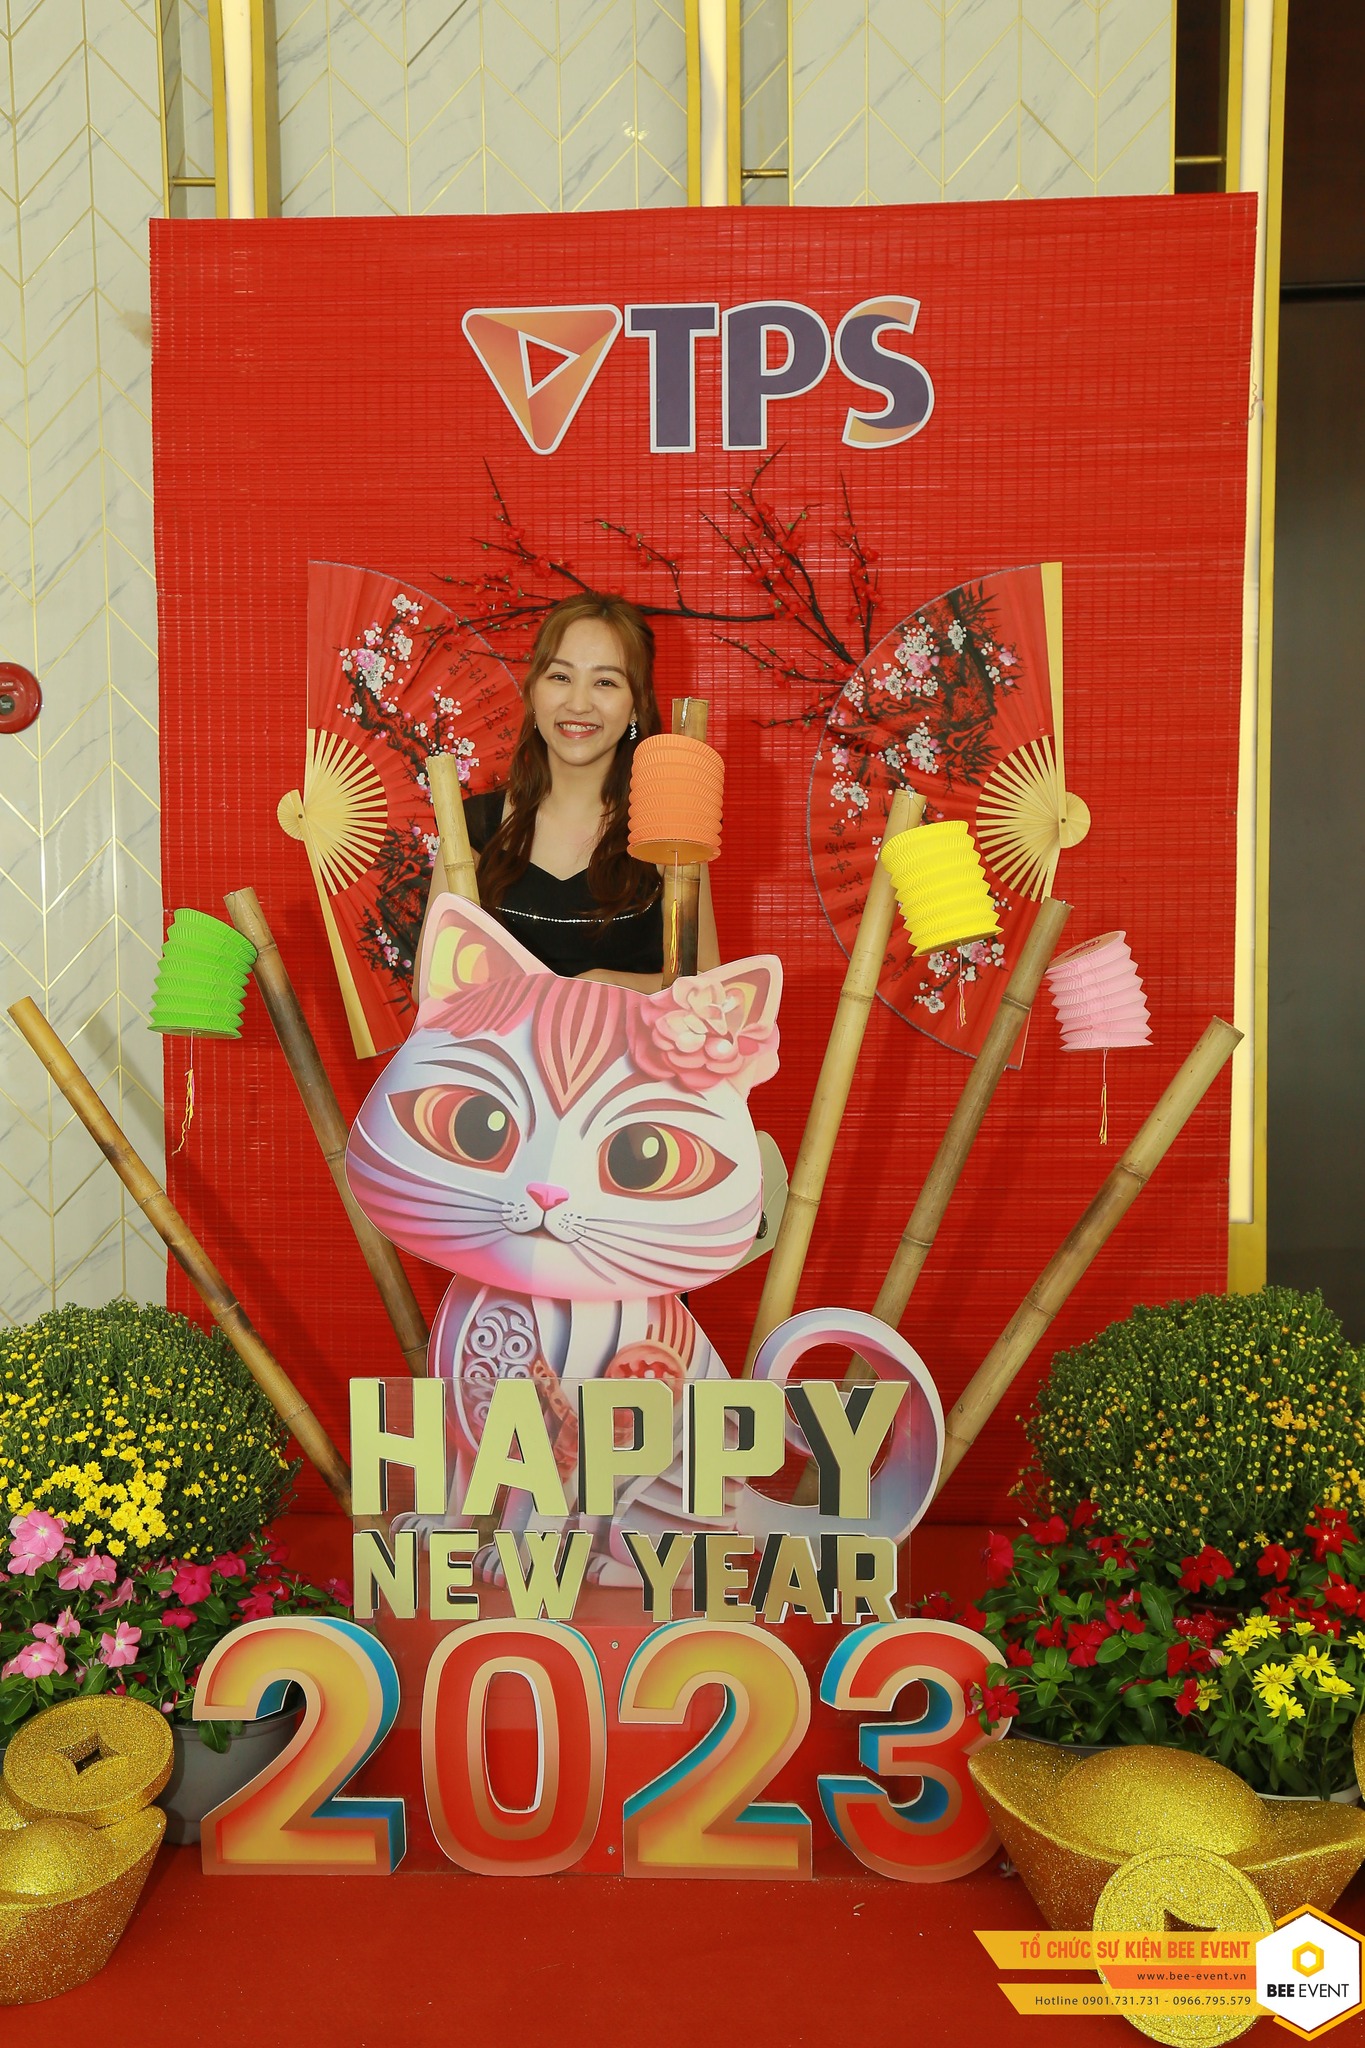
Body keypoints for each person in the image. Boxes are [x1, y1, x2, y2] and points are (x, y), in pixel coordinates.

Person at [420, 591, 719, 990]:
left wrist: (600, 986)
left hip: (628, 1036)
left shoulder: (668, 828)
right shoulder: (471, 830)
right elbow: (432, 991)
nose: (578, 704)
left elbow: (707, 986)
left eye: (605, 682)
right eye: (560, 677)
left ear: (636, 704)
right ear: (533, 691)